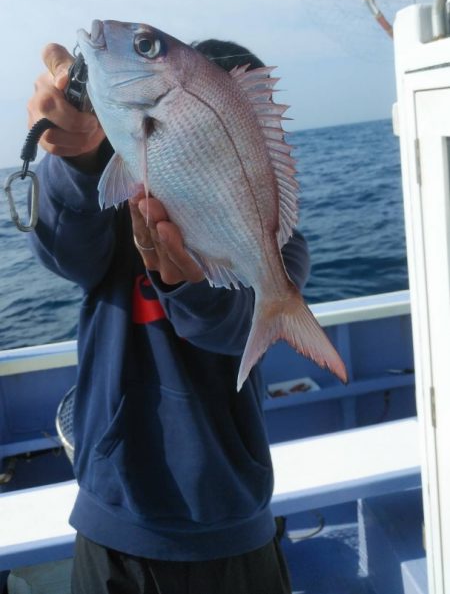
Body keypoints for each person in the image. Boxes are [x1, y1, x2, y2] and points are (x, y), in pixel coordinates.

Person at [28, 36, 311, 594]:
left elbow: (231, 328)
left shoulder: (278, 246)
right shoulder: (114, 207)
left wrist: (190, 284)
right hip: (113, 518)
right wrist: (80, 161)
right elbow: (63, 250)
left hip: (233, 522)